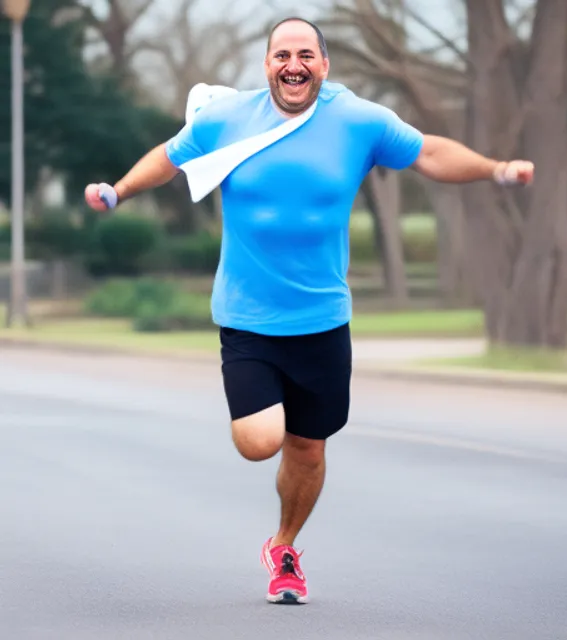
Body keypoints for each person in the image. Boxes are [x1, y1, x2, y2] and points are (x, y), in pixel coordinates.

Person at [84, 16, 534, 605]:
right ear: (267, 64)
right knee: (259, 440)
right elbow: (167, 159)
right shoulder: (225, 120)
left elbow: (430, 154)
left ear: (323, 65)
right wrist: (117, 190)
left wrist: (496, 170)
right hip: (248, 318)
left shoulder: (360, 121)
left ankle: (285, 547)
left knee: (308, 448)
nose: (292, 64)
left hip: (323, 321)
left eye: (304, 55)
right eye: (280, 55)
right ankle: (280, 525)